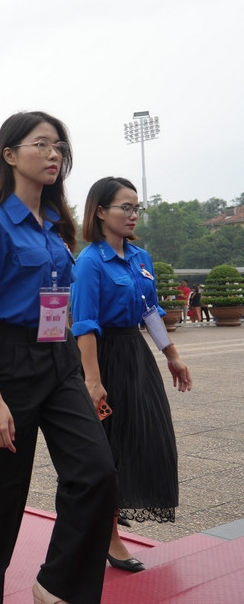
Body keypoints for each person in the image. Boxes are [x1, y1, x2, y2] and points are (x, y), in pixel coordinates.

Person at [0, 111, 116, 604]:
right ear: (10, 155)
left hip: (58, 356)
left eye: (60, 148)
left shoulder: (56, 228)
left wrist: (86, 375)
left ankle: (56, 585)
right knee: (0, 499)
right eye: (42, 144)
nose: (54, 155)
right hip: (8, 363)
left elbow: (63, 305)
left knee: (97, 472)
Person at [72, 176, 193, 573]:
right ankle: (109, 537)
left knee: (150, 437)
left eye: (136, 207)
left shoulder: (141, 258)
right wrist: (92, 380)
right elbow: (84, 324)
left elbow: (150, 311)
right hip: (104, 358)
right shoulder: (89, 262)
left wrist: (172, 356)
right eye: (125, 207)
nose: (133, 214)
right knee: (109, 447)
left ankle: (115, 512)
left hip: (136, 357)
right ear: (101, 212)